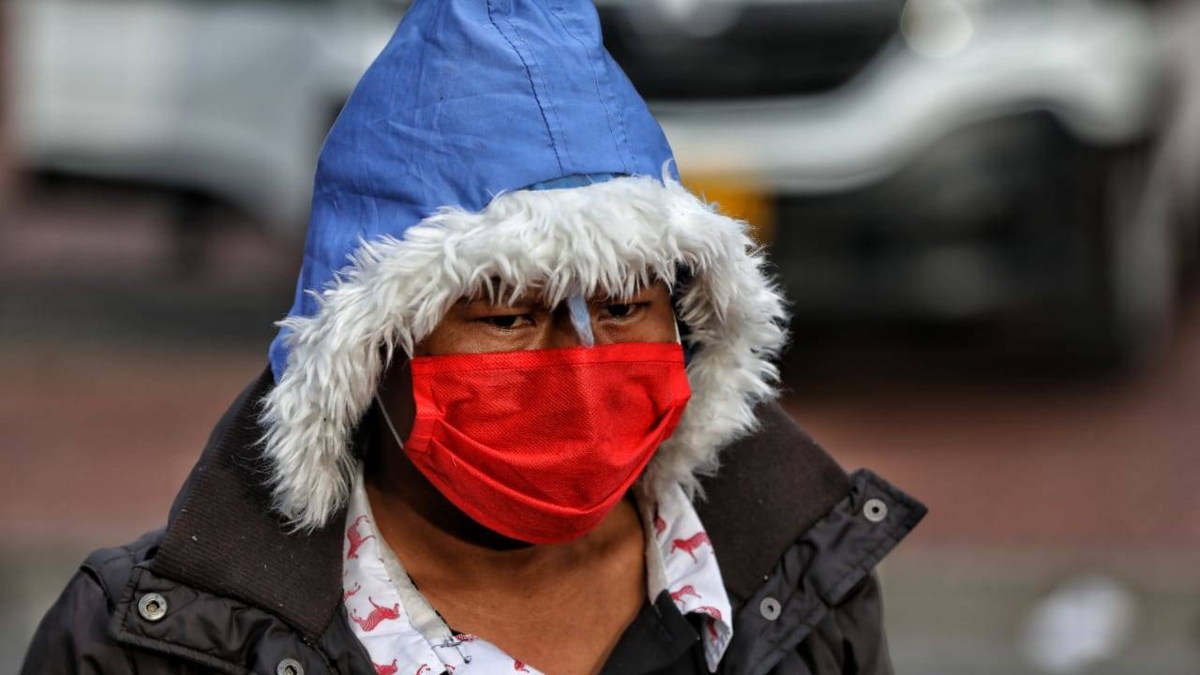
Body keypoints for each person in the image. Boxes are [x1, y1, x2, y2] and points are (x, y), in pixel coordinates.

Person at [21, 1, 926, 673]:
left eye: (622, 307)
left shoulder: (803, 586)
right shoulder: (150, 647)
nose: (580, 368)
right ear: (368, 349)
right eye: (507, 315)